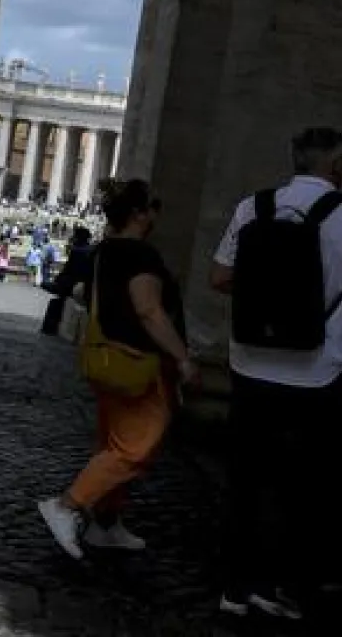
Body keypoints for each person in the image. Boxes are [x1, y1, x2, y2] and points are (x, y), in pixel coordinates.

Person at [210, 126, 342, 623]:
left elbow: (219, 276)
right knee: (305, 485)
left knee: (245, 479)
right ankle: (284, 585)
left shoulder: (252, 207)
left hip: (250, 361)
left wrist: (268, 296)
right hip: (318, 370)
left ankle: (235, 586)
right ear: (335, 165)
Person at [37, 178, 199, 561]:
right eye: (153, 207)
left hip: (108, 356)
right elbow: (148, 310)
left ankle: (105, 523)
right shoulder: (140, 256)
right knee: (134, 449)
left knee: (113, 443)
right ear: (141, 213)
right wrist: (183, 357)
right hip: (137, 361)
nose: (157, 214)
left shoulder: (103, 251)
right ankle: (67, 506)